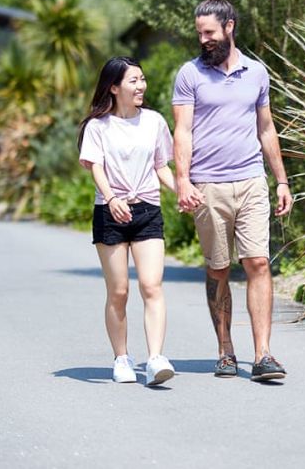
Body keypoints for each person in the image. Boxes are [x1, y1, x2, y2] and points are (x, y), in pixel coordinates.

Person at [172, 0, 294, 382]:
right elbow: (183, 131)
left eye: (210, 33)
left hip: (251, 181)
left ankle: (263, 356)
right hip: (208, 186)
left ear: (229, 26)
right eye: (200, 34)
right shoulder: (190, 74)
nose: (203, 40)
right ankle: (225, 350)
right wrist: (182, 181)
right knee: (219, 268)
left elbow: (267, 128)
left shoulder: (256, 72)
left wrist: (281, 181)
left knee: (258, 262)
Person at [78, 56, 177, 386]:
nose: (141, 86)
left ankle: (155, 358)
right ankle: (121, 357)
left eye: (143, 79)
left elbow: (162, 165)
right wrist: (111, 198)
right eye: (134, 81)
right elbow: (95, 166)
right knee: (119, 291)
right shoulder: (98, 126)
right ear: (114, 87)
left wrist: (182, 191)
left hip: (147, 209)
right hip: (110, 213)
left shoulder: (154, 122)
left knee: (152, 286)